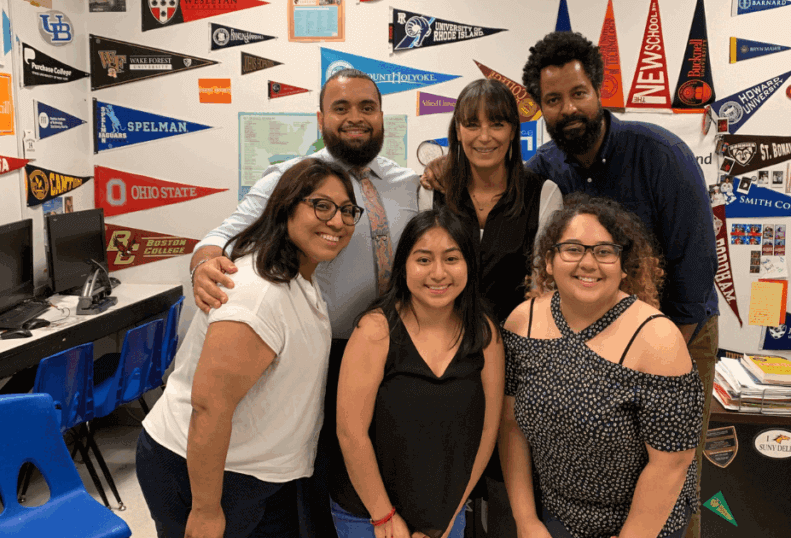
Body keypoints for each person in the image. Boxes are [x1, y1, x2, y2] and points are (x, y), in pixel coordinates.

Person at [190, 69, 419, 538]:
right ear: (320, 119)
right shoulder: (288, 179)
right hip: (321, 353)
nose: (355, 119)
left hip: (395, 352)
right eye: (341, 109)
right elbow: (222, 235)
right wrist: (204, 263)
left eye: (366, 108)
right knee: (318, 476)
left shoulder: (409, 184)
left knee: (383, 467)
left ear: (382, 117)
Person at [519, 32, 719, 538]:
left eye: (579, 93)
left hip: (677, 329)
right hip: (584, 336)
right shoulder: (544, 168)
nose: (569, 109)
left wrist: (652, 354)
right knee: (592, 454)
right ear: (540, 106)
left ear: (599, 89)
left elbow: (693, 277)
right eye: (554, 100)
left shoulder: (661, 155)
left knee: (668, 469)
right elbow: (486, 185)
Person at [137, 159, 363, 538]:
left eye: (347, 210)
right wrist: (206, 510)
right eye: (321, 205)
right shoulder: (259, 291)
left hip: (251, 471)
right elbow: (210, 405)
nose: (337, 221)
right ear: (285, 206)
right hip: (203, 472)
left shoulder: (299, 277)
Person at [499, 195, 704, 538]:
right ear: (549, 261)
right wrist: (526, 521)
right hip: (556, 516)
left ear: (624, 265)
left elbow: (671, 465)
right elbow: (511, 428)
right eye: (573, 249)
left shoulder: (658, 340)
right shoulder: (523, 323)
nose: (589, 263)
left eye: (605, 251)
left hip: (644, 524)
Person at [418, 78, 561, 537]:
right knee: (448, 483)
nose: (484, 136)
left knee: (507, 491)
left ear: (514, 131)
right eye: (471, 123)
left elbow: (545, 291)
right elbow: (425, 278)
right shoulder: (433, 192)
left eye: (497, 123)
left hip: (518, 364)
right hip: (445, 360)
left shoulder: (544, 194)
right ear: (456, 130)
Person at [330, 208, 504, 538]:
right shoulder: (375, 330)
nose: (438, 273)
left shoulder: (484, 333)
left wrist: (452, 512)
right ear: (404, 266)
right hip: (368, 517)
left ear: (468, 263)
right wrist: (384, 517)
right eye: (423, 260)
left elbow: (488, 429)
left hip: (446, 516)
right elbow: (350, 434)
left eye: (451, 259)